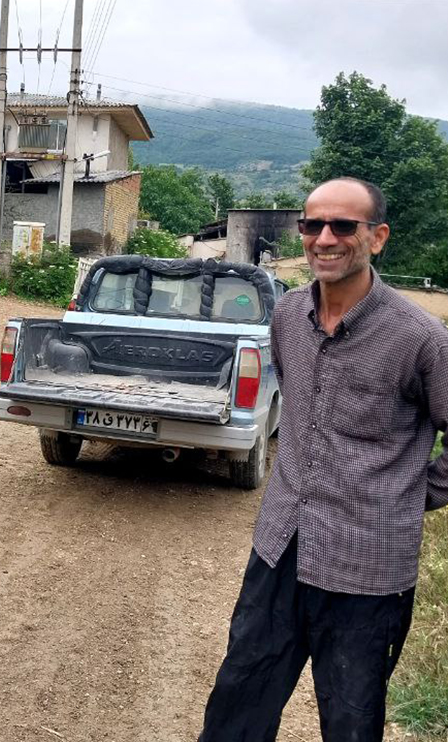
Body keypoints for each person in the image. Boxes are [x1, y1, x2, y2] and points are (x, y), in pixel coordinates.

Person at [198, 177, 448, 741]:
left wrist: (407, 494)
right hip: (279, 549)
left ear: (377, 237)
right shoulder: (287, 316)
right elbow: (299, 409)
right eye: (313, 225)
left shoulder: (421, 339)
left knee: (352, 722)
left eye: (343, 226)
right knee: (237, 705)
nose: (325, 238)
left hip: (367, 568)